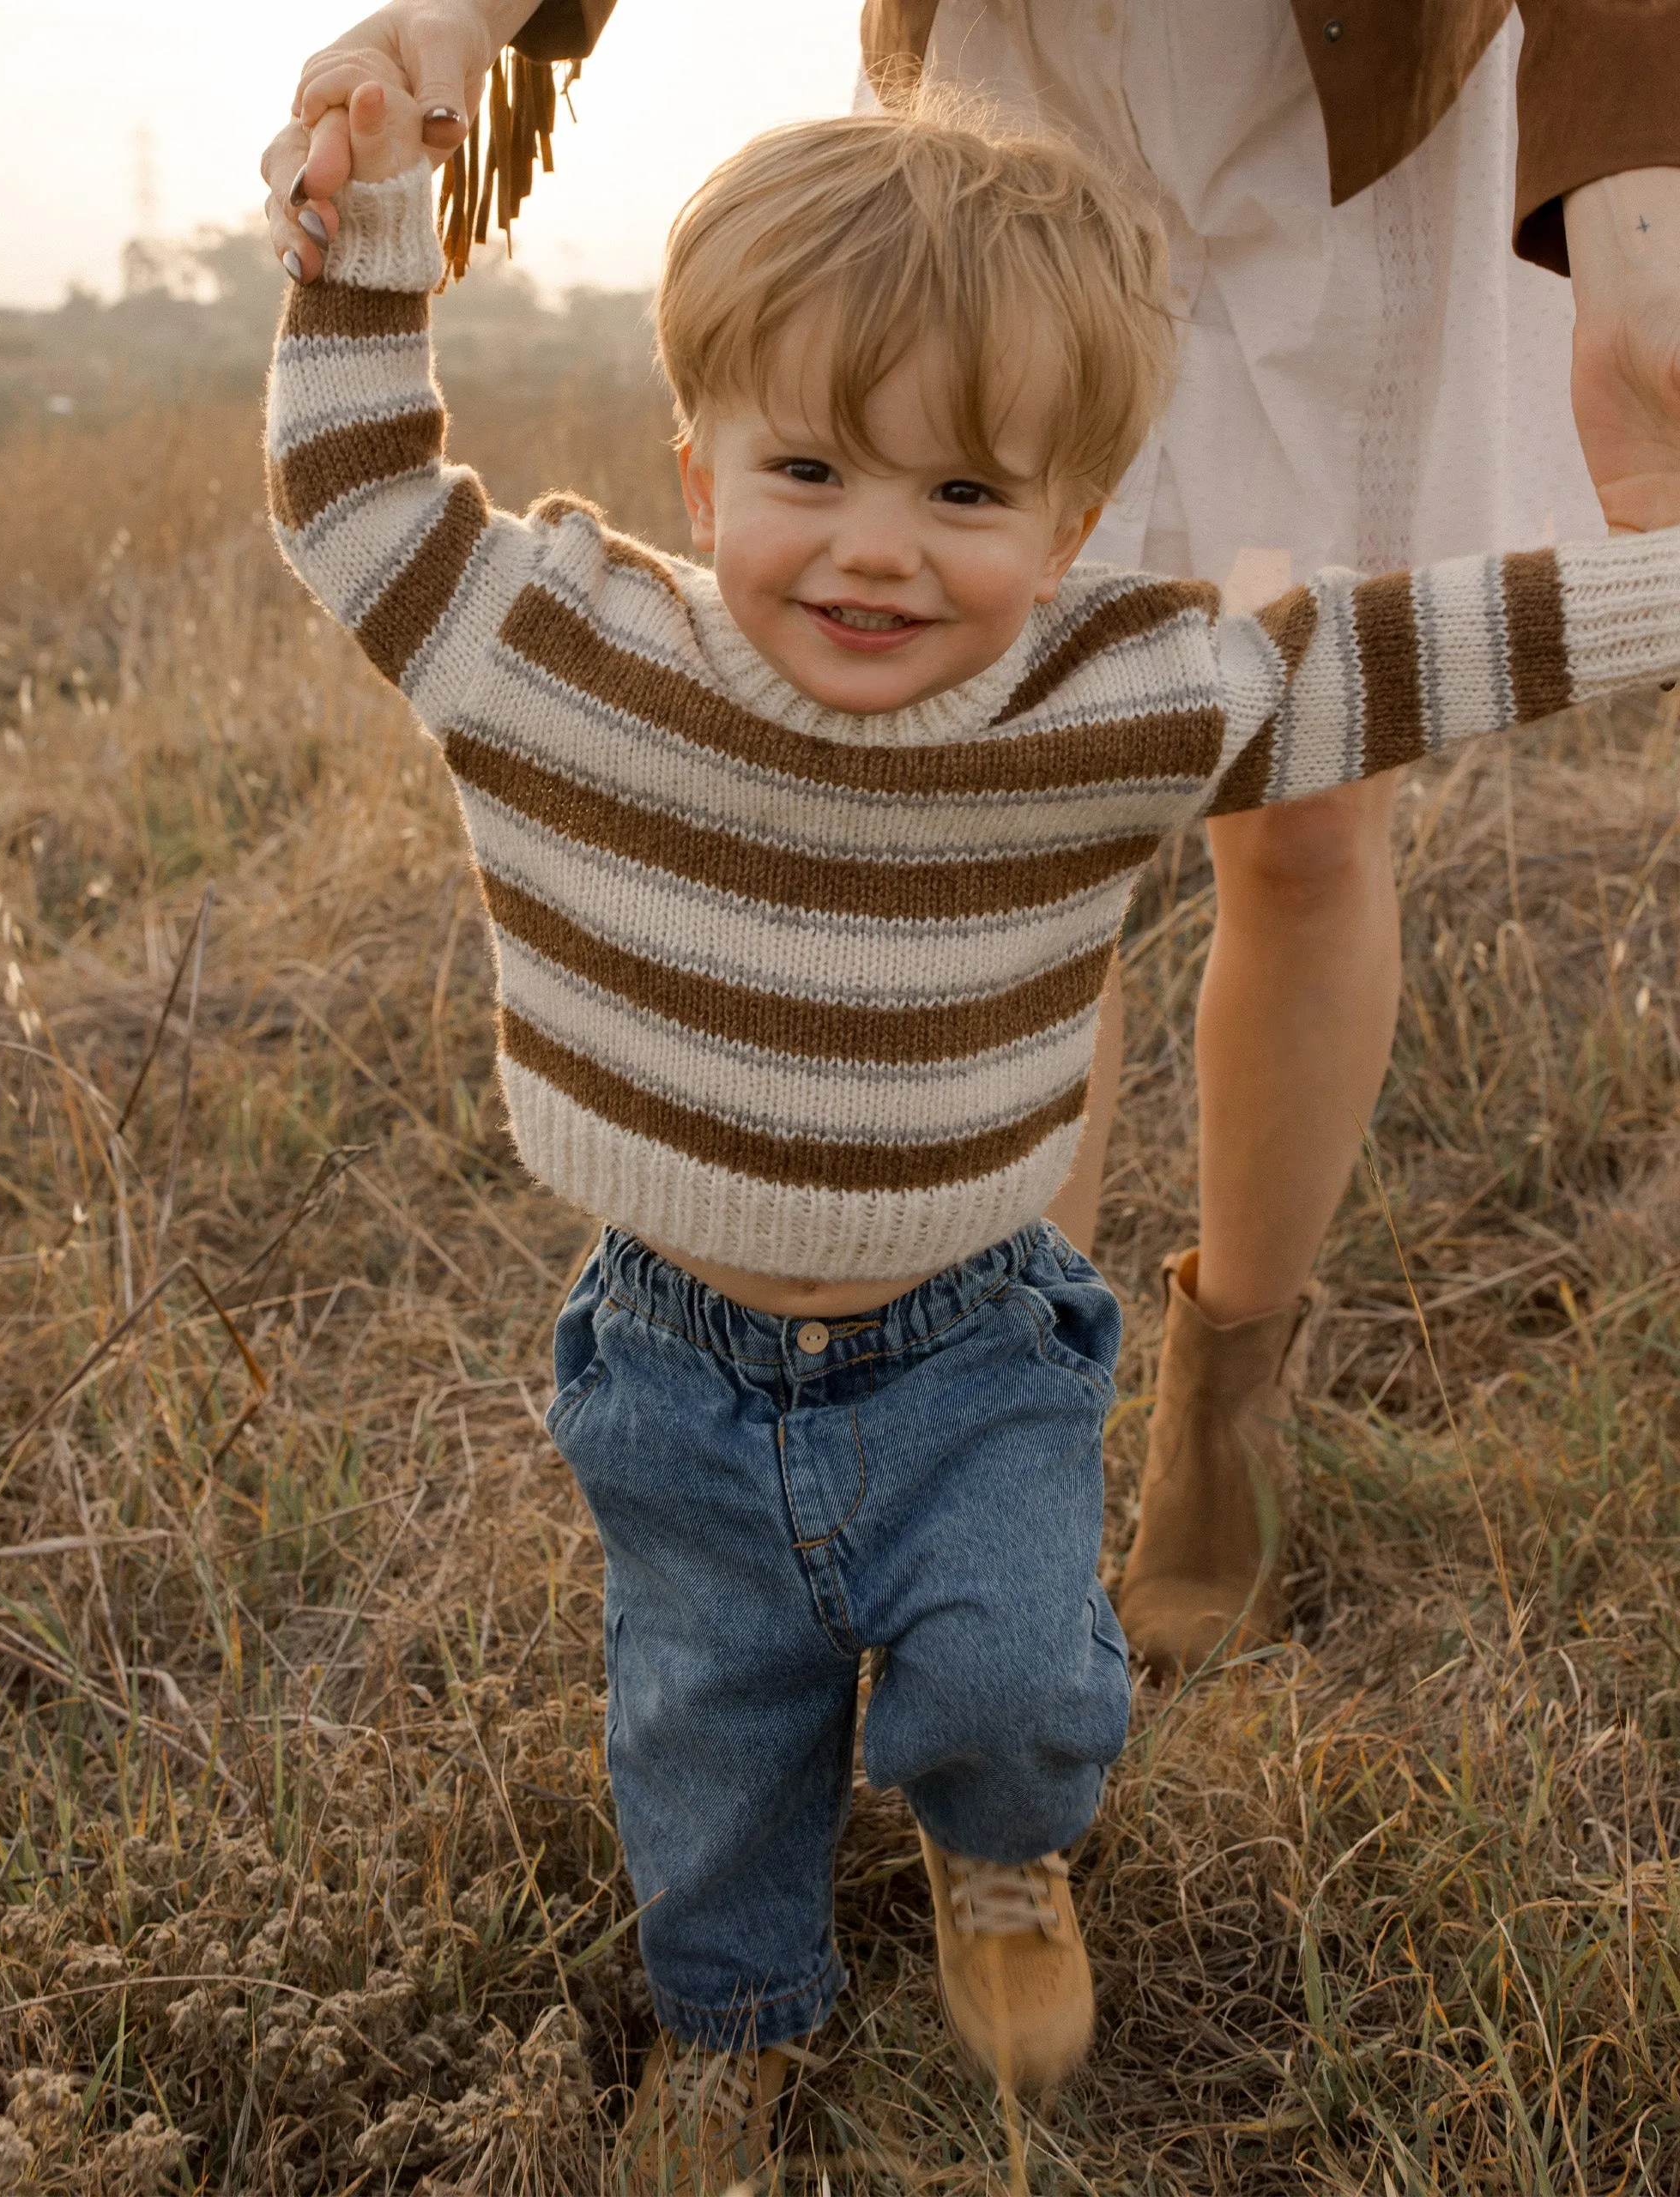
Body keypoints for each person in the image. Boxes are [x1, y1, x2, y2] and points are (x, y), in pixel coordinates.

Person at [264, 70, 1680, 2185]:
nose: (873, 543)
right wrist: (369, 242)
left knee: (1018, 1677)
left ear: (1077, 527)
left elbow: (1435, 648)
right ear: (695, 459)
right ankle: (731, 2030)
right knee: (705, 1734)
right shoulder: (565, 648)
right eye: (808, 465)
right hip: (669, 1358)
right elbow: (360, 498)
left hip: (974, 1347)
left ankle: (1000, 1847)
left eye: (961, 492)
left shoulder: (1113, 696)